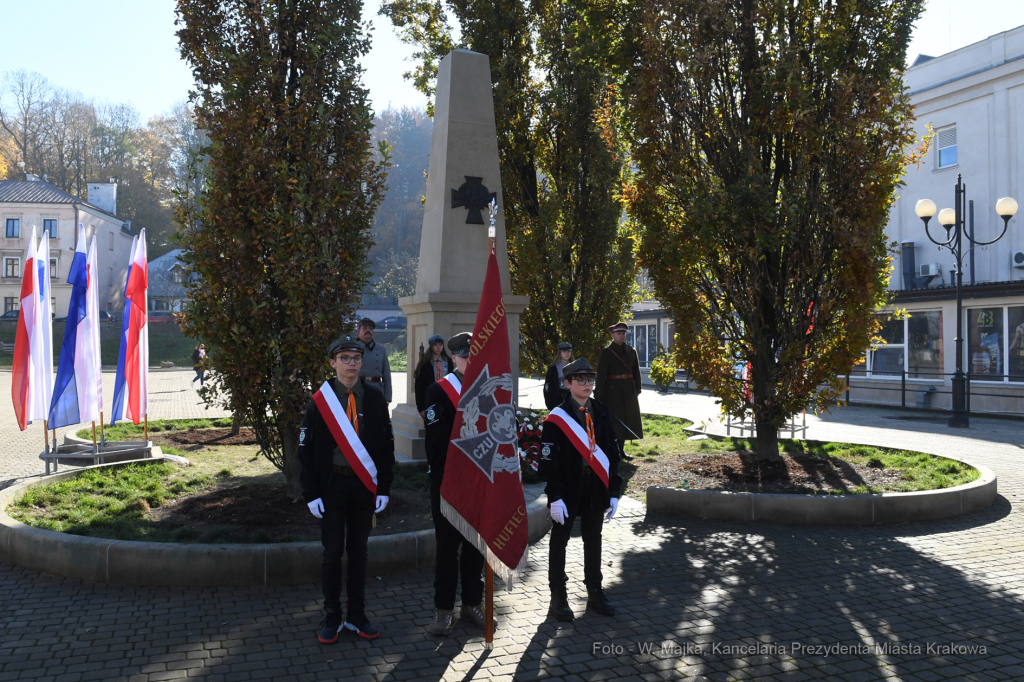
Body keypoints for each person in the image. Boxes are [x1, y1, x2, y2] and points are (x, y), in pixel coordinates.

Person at [299, 335, 395, 643]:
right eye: (345, 359)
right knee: (331, 553)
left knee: (359, 552)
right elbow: (306, 450)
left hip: (364, 486)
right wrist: (311, 492)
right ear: (332, 363)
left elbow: (386, 445)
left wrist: (383, 486)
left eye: (356, 358)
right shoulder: (320, 400)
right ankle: (332, 615)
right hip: (332, 487)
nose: (351, 364)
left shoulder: (375, 397)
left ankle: (357, 614)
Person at [539, 358, 622, 622]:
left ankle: (595, 591)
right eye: (580, 380)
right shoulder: (556, 418)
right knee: (559, 540)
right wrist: (555, 496)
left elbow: (612, 453)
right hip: (567, 488)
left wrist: (614, 491)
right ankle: (558, 595)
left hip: (595, 486)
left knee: (593, 539)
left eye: (590, 380)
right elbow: (548, 460)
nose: (587, 385)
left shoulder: (602, 411)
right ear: (567, 383)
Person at [422, 332, 493, 636]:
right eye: (464, 356)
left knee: (476, 550)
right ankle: (443, 610)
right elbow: (437, 445)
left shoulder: (488, 391)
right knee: (448, 550)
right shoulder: (438, 391)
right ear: (454, 359)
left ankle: (472, 604)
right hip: (449, 484)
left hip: (479, 485)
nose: (470, 360)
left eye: (474, 355)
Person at [594, 323, 643, 462]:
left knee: (627, 419)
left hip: (628, 391)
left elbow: (636, 372)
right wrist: (599, 394)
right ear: (612, 335)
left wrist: (637, 388)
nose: (621, 336)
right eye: (618, 333)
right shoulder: (606, 352)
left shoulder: (631, 351)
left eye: (623, 333)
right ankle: (614, 450)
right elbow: (602, 374)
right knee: (616, 421)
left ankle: (621, 450)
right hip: (612, 392)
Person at [415, 334, 452, 419]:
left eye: (440, 345)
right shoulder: (425, 363)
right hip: (430, 400)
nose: (438, 347)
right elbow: (419, 387)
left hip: (445, 399)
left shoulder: (448, 362)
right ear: (431, 346)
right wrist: (421, 408)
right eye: (435, 345)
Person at [356, 317, 392, 403]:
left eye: (370, 328)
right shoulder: (352, 348)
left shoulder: (381, 349)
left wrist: (387, 398)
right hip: (358, 388)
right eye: (364, 328)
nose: (368, 330)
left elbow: (386, 374)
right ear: (358, 331)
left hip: (377, 389)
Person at [544, 342, 573, 409]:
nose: (567, 353)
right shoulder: (553, 368)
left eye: (568, 351)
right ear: (559, 353)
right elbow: (548, 388)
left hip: (572, 397)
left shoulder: (575, 367)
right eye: (564, 351)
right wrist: (550, 404)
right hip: (559, 398)